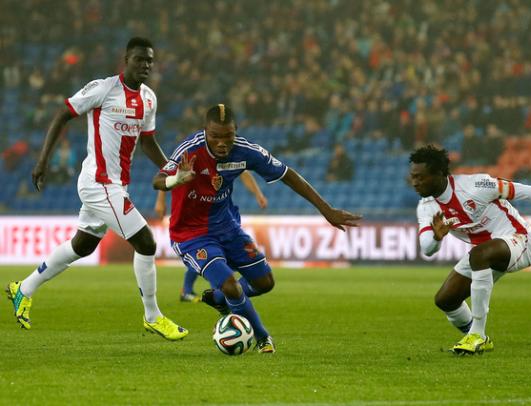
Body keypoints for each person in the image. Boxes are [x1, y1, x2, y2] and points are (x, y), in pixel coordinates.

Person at [6, 37, 188, 341]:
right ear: (126, 60)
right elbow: (63, 114)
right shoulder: (104, 88)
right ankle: (153, 316)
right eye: (139, 59)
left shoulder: (149, 99)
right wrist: (42, 160)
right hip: (98, 183)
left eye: (150, 61)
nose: (145, 66)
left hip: (116, 185)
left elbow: (147, 141)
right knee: (145, 243)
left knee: (83, 245)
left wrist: (171, 166)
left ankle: (23, 289)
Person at [153, 104, 362, 353]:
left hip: (227, 227)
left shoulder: (245, 151)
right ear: (205, 132)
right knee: (231, 284)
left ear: (236, 132)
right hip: (191, 234)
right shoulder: (190, 150)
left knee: (265, 283)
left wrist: (326, 210)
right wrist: (177, 179)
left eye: (227, 136)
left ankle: (220, 299)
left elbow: (287, 174)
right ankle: (263, 337)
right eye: (215, 137)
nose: (221, 143)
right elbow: (158, 180)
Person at [409, 145, 531, 354]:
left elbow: (526, 192)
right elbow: (427, 248)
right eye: (413, 177)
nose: (415, 182)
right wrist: (438, 238)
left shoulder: (476, 185)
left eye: (420, 177)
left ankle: (478, 335)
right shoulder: (426, 207)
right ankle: (472, 335)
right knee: (445, 300)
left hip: (521, 240)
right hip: (485, 253)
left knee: (479, 254)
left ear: (439, 173)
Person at [154, 171, 268, 302]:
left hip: (226, 212)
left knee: (223, 257)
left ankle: (215, 294)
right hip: (202, 215)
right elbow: (167, 171)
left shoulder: (229, 156)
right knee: (209, 254)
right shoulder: (193, 153)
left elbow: (243, 171)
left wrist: (258, 194)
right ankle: (205, 292)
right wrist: (160, 200)